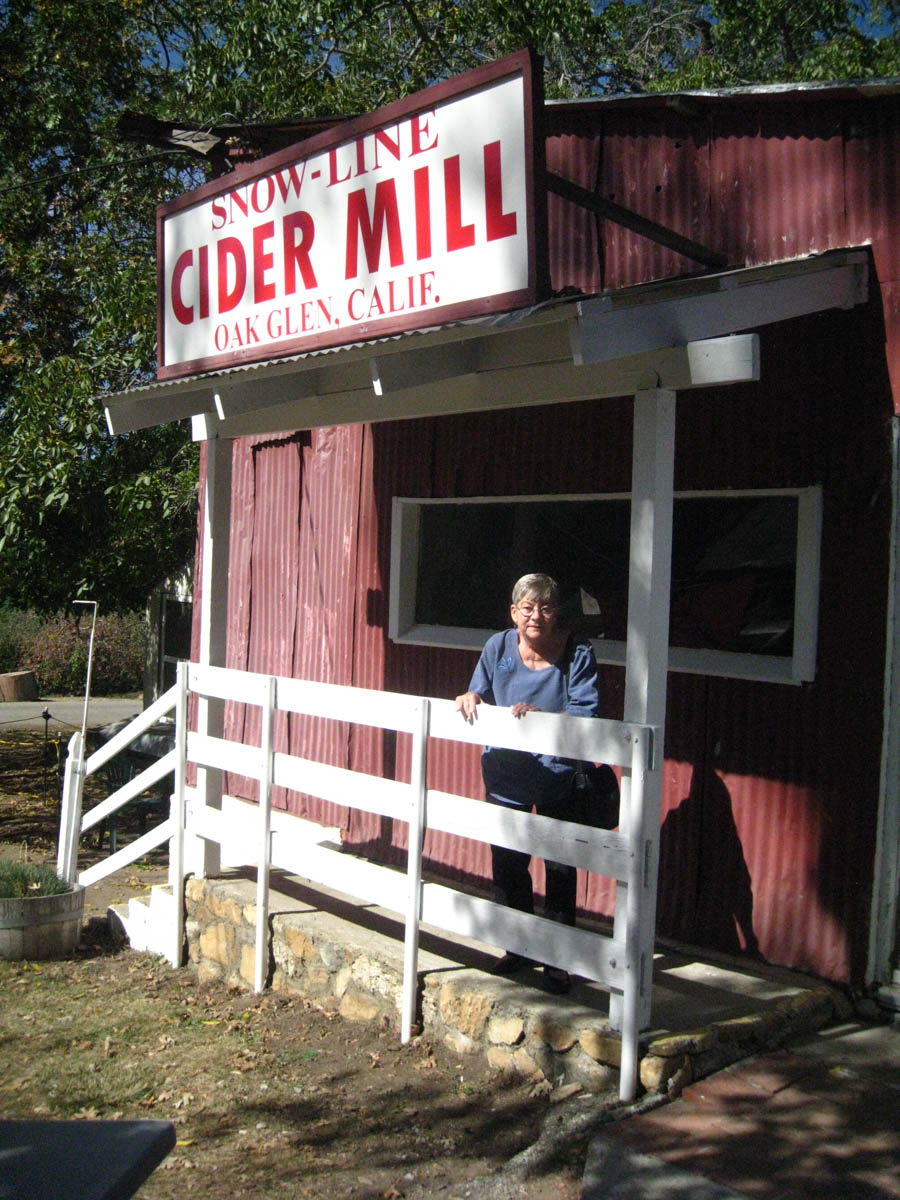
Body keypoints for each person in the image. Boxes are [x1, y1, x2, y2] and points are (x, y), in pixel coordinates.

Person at [455, 573, 599, 995]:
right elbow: (477, 692)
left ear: (557, 613)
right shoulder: (497, 646)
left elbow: (585, 711)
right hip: (507, 775)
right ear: (514, 613)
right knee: (509, 865)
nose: (537, 615)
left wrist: (543, 720)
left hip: (558, 776)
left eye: (547, 607)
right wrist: (470, 697)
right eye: (528, 608)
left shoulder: (577, 650)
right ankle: (516, 947)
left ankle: (557, 961)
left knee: (558, 867)